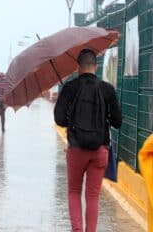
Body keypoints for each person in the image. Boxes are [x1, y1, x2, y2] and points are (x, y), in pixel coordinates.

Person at [54, 49, 122, 232]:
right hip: (100, 150)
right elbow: (118, 122)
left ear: (78, 67)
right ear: (96, 67)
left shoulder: (70, 87)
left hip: (76, 149)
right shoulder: (107, 89)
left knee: (74, 191)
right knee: (92, 195)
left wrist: (73, 118)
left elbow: (59, 119)